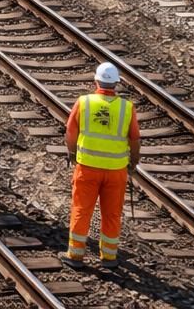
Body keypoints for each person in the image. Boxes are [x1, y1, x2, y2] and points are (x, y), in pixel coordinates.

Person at [63, 62, 141, 266]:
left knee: (81, 209)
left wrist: (72, 152)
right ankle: (109, 256)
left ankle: (76, 255)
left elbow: (71, 131)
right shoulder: (127, 107)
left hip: (87, 167)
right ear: (116, 83)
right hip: (116, 171)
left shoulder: (84, 102)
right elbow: (135, 139)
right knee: (112, 213)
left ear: (96, 80)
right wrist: (133, 161)